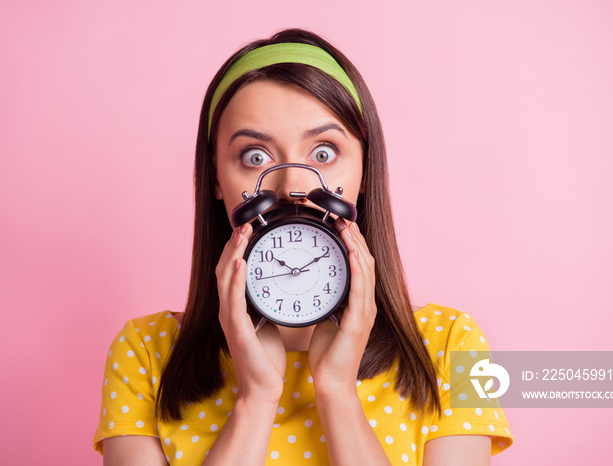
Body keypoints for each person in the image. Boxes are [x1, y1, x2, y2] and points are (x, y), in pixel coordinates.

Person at [92, 28, 514, 465]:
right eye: (255, 156)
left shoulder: (451, 347)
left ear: (364, 171)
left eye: (324, 152)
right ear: (217, 178)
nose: (293, 186)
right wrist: (256, 398)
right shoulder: (145, 353)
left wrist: (338, 394)